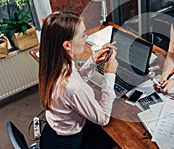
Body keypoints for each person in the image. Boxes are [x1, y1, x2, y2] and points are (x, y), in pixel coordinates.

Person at [39, 11, 118, 148]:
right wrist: (109, 75)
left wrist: (92, 62)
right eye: (83, 35)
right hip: (68, 143)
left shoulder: (51, 64)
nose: (86, 38)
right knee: (115, 136)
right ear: (67, 45)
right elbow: (103, 118)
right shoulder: (73, 86)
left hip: (52, 131)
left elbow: (74, 82)